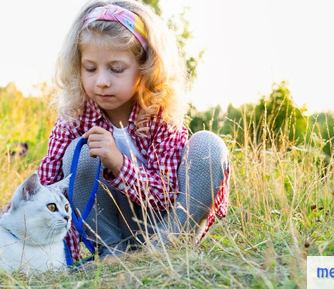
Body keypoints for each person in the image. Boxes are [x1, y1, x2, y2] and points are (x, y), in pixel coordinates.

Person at [38, 0, 230, 263]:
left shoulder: (160, 117)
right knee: (79, 153)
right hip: (112, 229)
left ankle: (168, 247)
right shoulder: (75, 116)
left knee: (209, 146)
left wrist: (118, 162)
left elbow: (166, 196)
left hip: (165, 227)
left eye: (116, 69)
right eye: (90, 68)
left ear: (145, 68)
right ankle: (111, 250)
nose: (102, 81)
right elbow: (50, 187)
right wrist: (61, 258)